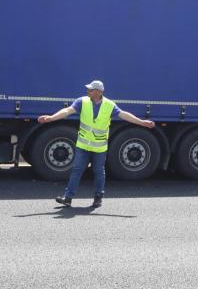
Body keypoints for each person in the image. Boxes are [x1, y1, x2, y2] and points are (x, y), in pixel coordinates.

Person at [36, 80, 155, 208]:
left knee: (98, 172)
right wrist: (51, 118)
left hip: (99, 148)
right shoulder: (82, 101)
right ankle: (68, 197)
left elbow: (124, 115)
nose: (88, 91)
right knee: (77, 170)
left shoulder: (109, 105)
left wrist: (142, 122)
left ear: (98, 92)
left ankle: (98, 198)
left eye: (91, 89)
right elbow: (67, 111)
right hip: (83, 146)